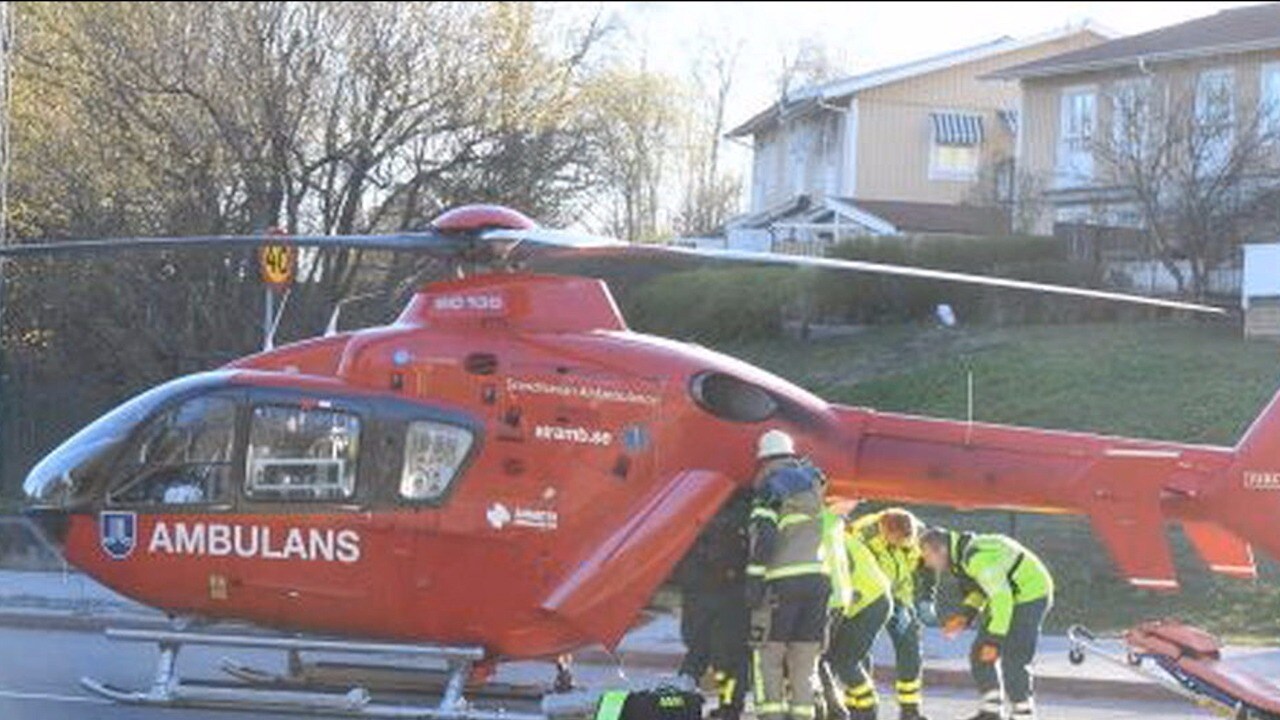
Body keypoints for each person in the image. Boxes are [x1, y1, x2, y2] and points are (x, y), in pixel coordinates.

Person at [919, 528, 1054, 720]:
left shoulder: (976, 559)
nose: (926, 562)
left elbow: (1002, 599)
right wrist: (964, 616)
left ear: (940, 550)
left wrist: (994, 641)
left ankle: (1023, 714)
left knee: (1014, 659)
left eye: (927, 555)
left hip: (1030, 595)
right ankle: (991, 712)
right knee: (980, 653)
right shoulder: (962, 557)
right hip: (1012, 596)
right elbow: (982, 590)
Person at [746, 429, 832, 720]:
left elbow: (765, 538)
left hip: (782, 584)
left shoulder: (770, 485)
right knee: (804, 663)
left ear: (764, 459)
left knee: (767, 657)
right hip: (818, 582)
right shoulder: (813, 486)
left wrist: (754, 579)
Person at [848, 509, 937, 720]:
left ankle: (910, 711)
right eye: (897, 541)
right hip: (867, 598)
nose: (902, 545)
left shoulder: (919, 533)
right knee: (860, 651)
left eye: (906, 542)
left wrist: (927, 598)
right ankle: (858, 707)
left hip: (900, 599)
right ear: (884, 531)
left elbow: (927, 565)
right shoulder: (861, 534)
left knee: (910, 650)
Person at [675, 488, 752, 720]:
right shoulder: (743, 518)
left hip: (698, 598)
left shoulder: (695, 516)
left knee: (696, 654)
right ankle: (729, 708)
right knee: (730, 662)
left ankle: (680, 702)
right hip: (731, 601)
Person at [824, 516, 892, 720]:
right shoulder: (842, 536)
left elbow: (843, 575)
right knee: (854, 656)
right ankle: (856, 707)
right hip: (872, 599)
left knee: (845, 661)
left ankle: (867, 709)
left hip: (868, 602)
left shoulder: (835, 540)